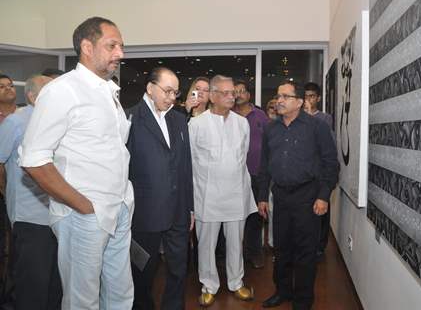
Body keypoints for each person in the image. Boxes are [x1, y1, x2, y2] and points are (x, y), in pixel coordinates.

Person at [19, 16, 134, 309]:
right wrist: (83, 205)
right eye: (112, 45)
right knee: (82, 300)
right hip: (84, 214)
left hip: (119, 206)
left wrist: (123, 199)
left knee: (120, 293)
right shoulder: (62, 90)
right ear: (86, 47)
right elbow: (33, 160)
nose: (120, 53)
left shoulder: (108, 91)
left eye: (120, 45)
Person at [258, 81, 339, 310]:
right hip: (280, 197)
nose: (279, 100)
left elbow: (330, 164)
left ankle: (303, 300)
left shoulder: (317, 128)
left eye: (285, 96)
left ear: (300, 102)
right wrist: (263, 196)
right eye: (278, 95)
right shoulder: (270, 129)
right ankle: (282, 291)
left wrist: (323, 196)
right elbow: (264, 166)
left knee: (305, 252)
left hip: (308, 197)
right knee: (281, 249)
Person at [127, 67, 194, 310]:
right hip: (145, 211)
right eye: (167, 91)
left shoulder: (178, 119)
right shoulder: (130, 119)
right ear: (150, 88)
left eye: (175, 93)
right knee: (143, 269)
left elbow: (185, 165)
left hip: (178, 209)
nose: (172, 98)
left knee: (179, 268)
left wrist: (190, 208)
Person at [189, 75, 257, 307]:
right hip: (207, 196)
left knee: (236, 243)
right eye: (227, 93)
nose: (232, 97)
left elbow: (243, 156)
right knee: (206, 245)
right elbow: (189, 162)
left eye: (233, 93)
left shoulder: (242, 123)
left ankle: (236, 283)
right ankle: (209, 285)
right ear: (214, 96)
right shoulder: (196, 124)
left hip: (236, 194)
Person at [0, 74, 62, 310]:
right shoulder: (15, 123)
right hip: (30, 219)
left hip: (60, 215)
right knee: (32, 285)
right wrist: (8, 195)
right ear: (33, 97)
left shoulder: (59, 120)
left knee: (57, 284)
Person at [233, 79, 269, 269]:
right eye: (235, 91)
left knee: (255, 216)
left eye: (242, 91)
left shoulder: (260, 116)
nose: (238, 94)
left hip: (256, 174)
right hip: (234, 177)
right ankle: (233, 255)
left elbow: (270, 142)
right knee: (235, 217)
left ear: (248, 95)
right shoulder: (227, 115)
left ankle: (253, 252)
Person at [303, 82, 334, 259]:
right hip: (306, 173)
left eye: (312, 96)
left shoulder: (325, 118)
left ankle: (320, 248)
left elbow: (325, 146)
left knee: (322, 212)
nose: (308, 100)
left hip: (321, 173)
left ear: (318, 98)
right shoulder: (298, 118)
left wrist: (308, 115)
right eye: (305, 96)